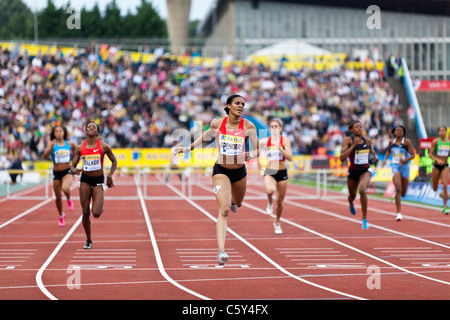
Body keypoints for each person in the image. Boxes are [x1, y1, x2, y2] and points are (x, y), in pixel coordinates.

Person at [174, 95, 259, 265]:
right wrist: (187, 148)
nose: (241, 106)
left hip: (240, 171)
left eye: (243, 104)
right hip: (221, 170)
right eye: (237, 103)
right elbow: (204, 137)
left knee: (238, 203)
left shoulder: (249, 126)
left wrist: (250, 154)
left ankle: (235, 202)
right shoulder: (218, 123)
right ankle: (221, 252)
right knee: (224, 210)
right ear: (229, 106)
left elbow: (258, 151)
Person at [70, 121, 117, 249]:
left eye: (94, 127)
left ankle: (99, 203)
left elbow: (114, 161)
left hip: (98, 180)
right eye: (89, 127)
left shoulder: (103, 146)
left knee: (95, 213)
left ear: (97, 132)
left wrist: (110, 176)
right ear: (85, 131)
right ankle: (88, 240)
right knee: (85, 212)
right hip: (85, 179)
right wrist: (75, 170)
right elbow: (72, 166)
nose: (91, 128)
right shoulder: (80, 148)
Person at [340, 120, 378, 229]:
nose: (359, 128)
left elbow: (371, 150)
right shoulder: (347, 141)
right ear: (352, 130)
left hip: (365, 170)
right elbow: (342, 158)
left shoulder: (367, 140)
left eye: (360, 126)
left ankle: (364, 219)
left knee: (362, 190)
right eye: (356, 127)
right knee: (352, 196)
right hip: (353, 172)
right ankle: (351, 203)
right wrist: (353, 145)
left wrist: (374, 155)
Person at [258, 118, 293, 234]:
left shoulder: (285, 141)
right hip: (270, 171)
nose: (274, 129)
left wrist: (280, 149)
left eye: (276, 126)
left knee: (280, 201)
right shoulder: (265, 141)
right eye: (272, 127)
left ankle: (277, 222)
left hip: (282, 171)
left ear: (280, 128)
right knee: (270, 190)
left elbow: (290, 157)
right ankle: (269, 201)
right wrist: (259, 162)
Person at [42, 125, 77, 227]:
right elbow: (44, 156)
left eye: (60, 131)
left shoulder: (69, 143)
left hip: (67, 171)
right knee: (58, 198)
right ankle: (61, 215)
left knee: (65, 188)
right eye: (56, 131)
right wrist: (50, 148)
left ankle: (69, 198)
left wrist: (75, 163)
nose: (58, 133)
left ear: (64, 132)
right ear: (54, 133)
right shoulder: (51, 143)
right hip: (56, 173)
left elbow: (78, 151)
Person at [381, 126, 415, 221]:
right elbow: (388, 151)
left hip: (405, 167)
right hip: (395, 166)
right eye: (397, 130)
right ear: (394, 132)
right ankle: (398, 213)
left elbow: (413, 155)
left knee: (403, 193)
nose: (399, 132)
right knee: (398, 187)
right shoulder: (391, 142)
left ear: (403, 133)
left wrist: (405, 160)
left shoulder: (406, 142)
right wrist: (385, 160)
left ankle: (399, 196)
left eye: (401, 130)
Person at [429, 126, 450, 214]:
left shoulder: (449, 142)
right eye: (440, 131)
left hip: (445, 166)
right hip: (436, 166)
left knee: (445, 185)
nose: (442, 132)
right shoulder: (436, 141)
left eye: (443, 130)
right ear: (438, 133)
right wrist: (437, 160)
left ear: (446, 132)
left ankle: (445, 207)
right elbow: (430, 154)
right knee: (435, 188)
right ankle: (433, 183)